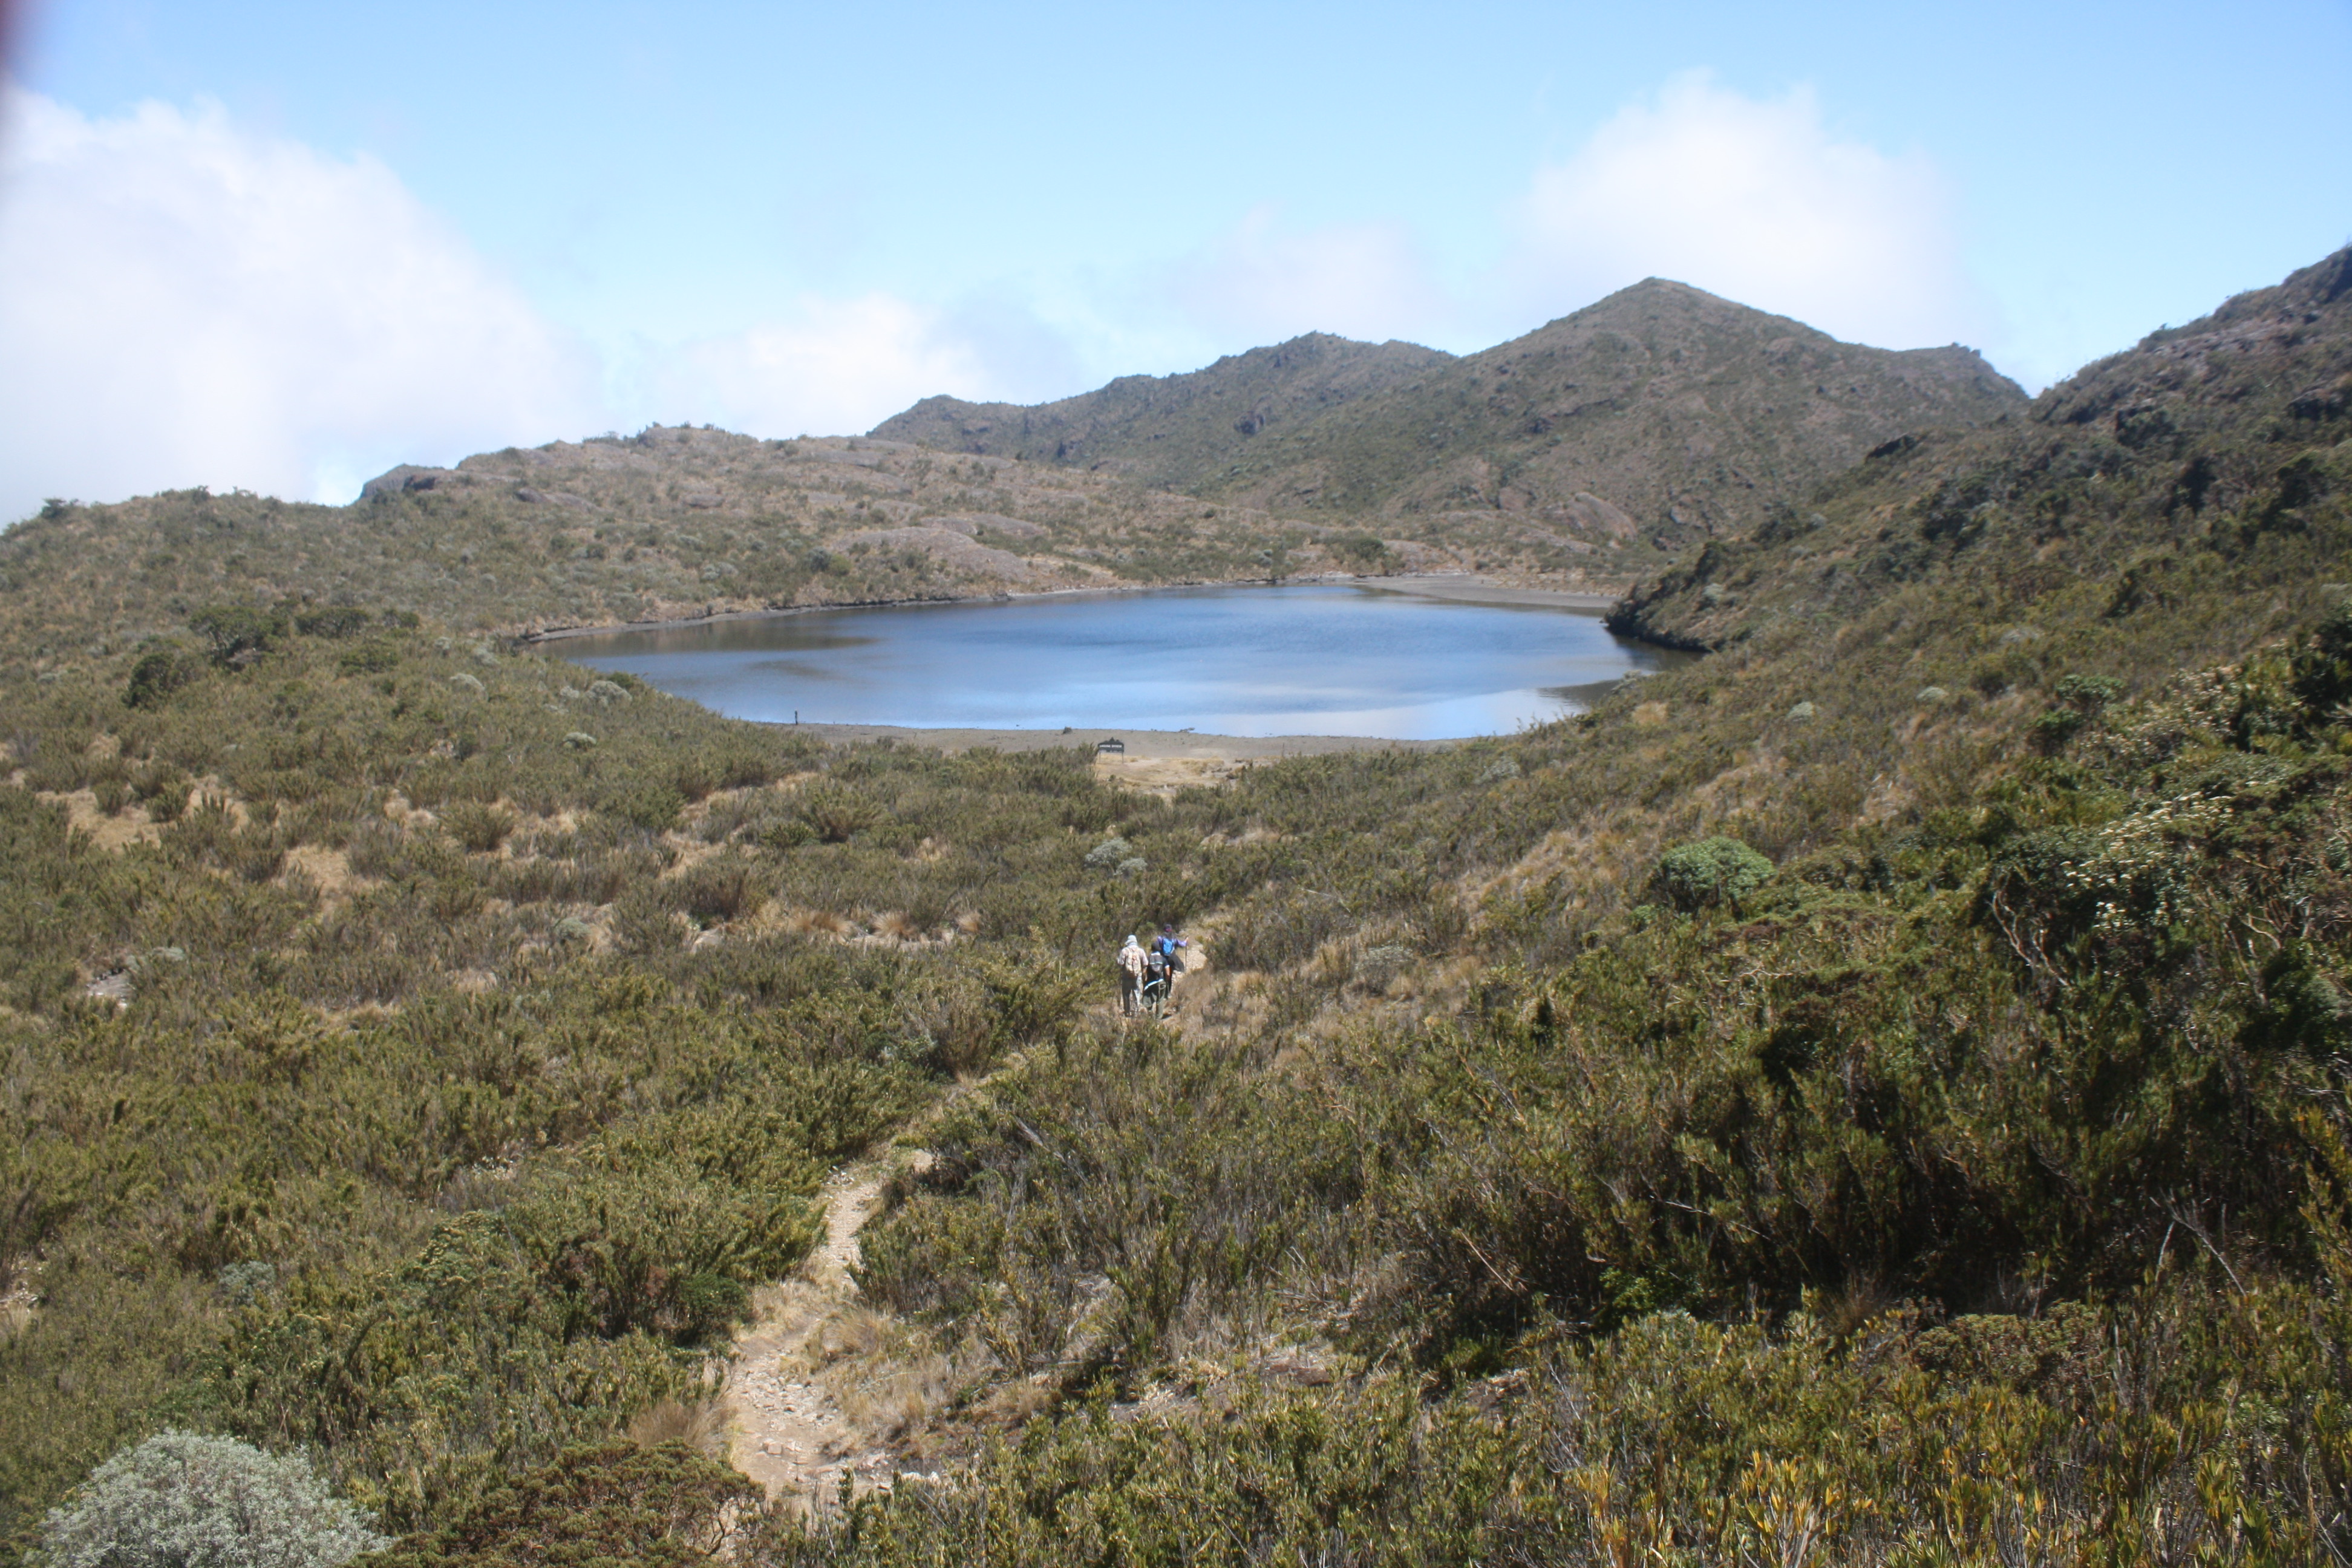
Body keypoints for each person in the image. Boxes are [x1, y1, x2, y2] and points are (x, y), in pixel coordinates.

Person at [1151, 925, 1189, 1008]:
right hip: (1171, 959)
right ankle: (1167, 993)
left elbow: (1156, 946)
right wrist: (1186, 940)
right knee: (1170, 976)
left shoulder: (1161, 938)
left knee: (1162, 975)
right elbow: (1183, 944)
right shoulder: (1174, 939)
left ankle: (1160, 992)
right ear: (1171, 930)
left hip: (1163, 959)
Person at [1117, 933, 1148, 1016]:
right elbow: (1145, 964)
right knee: (1137, 993)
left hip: (1126, 976)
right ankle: (1136, 1012)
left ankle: (1127, 1011)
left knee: (1126, 993)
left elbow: (1120, 963)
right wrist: (1143, 975)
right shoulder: (1141, 951)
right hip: (1137, 976)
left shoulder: (1125, 951)